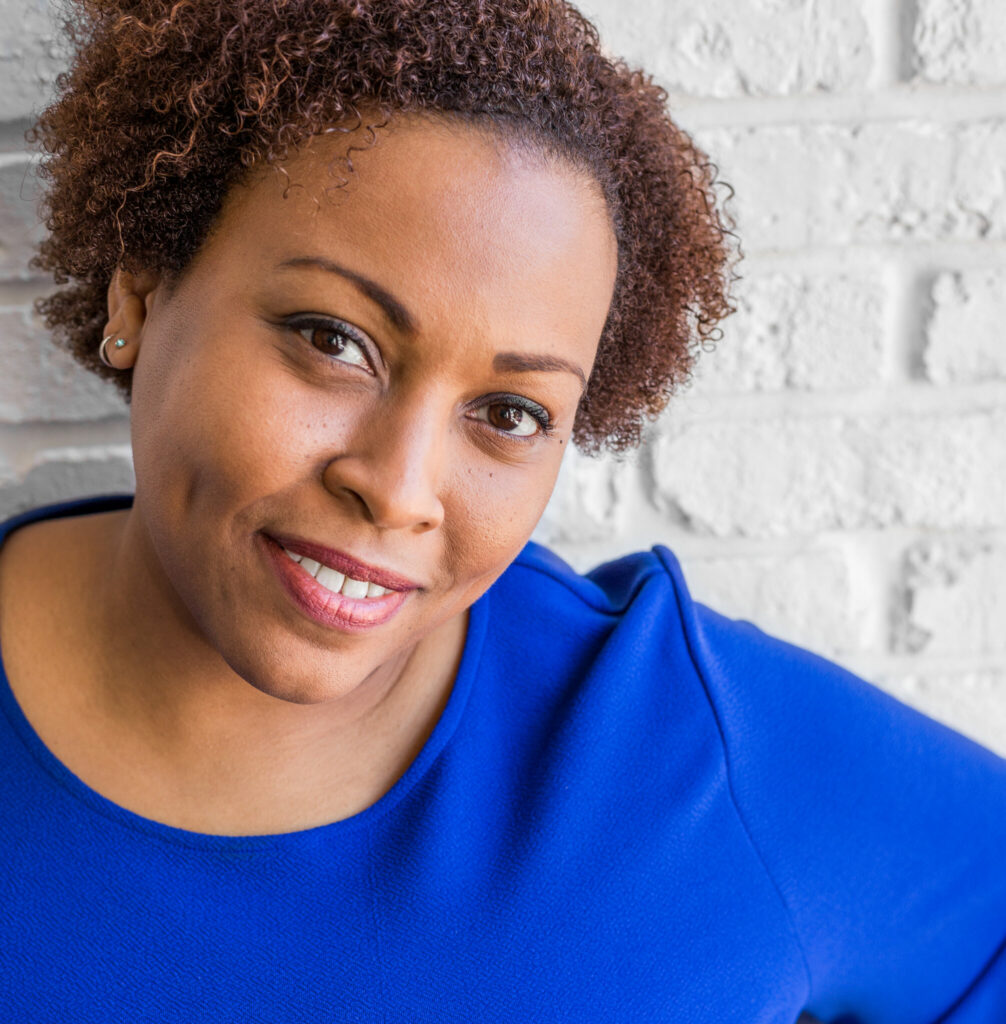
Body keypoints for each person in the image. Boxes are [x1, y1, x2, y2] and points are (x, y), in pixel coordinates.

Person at [0, 1, 1003, 1020]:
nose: (396, 487)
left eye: (510, 412)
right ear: (137, 291)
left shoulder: (675, 753)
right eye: (331, 340)